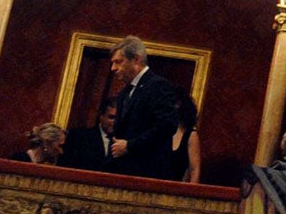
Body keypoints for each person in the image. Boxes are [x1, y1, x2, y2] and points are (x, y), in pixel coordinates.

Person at [105, 36, 184, 178]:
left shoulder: (157, 85)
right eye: (112, 63)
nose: (113, 68)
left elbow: (167, 125)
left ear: (136, 59)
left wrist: (130, 146)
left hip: (146, 172)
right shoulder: (125, 92)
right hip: (121, 171)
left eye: (118, 62)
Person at [63, 98, 116, 172]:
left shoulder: (124, 143)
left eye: (118, 118)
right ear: (101, 116)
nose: (115, 122)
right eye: (111, 117)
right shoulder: (79, 137)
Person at [170, 93, 201, 184]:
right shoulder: (164, 131)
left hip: (177, 188)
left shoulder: (191, 135)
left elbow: (195, 170)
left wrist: (190, 194)